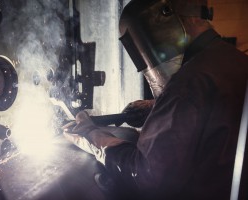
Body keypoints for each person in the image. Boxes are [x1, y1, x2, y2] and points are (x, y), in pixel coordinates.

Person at [63, 0, 248, 199]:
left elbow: (147, 176)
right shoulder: (237, 61)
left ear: (165, 19)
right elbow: (218, 108)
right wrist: (155, 108)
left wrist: (90, 136)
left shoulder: (186, 84)